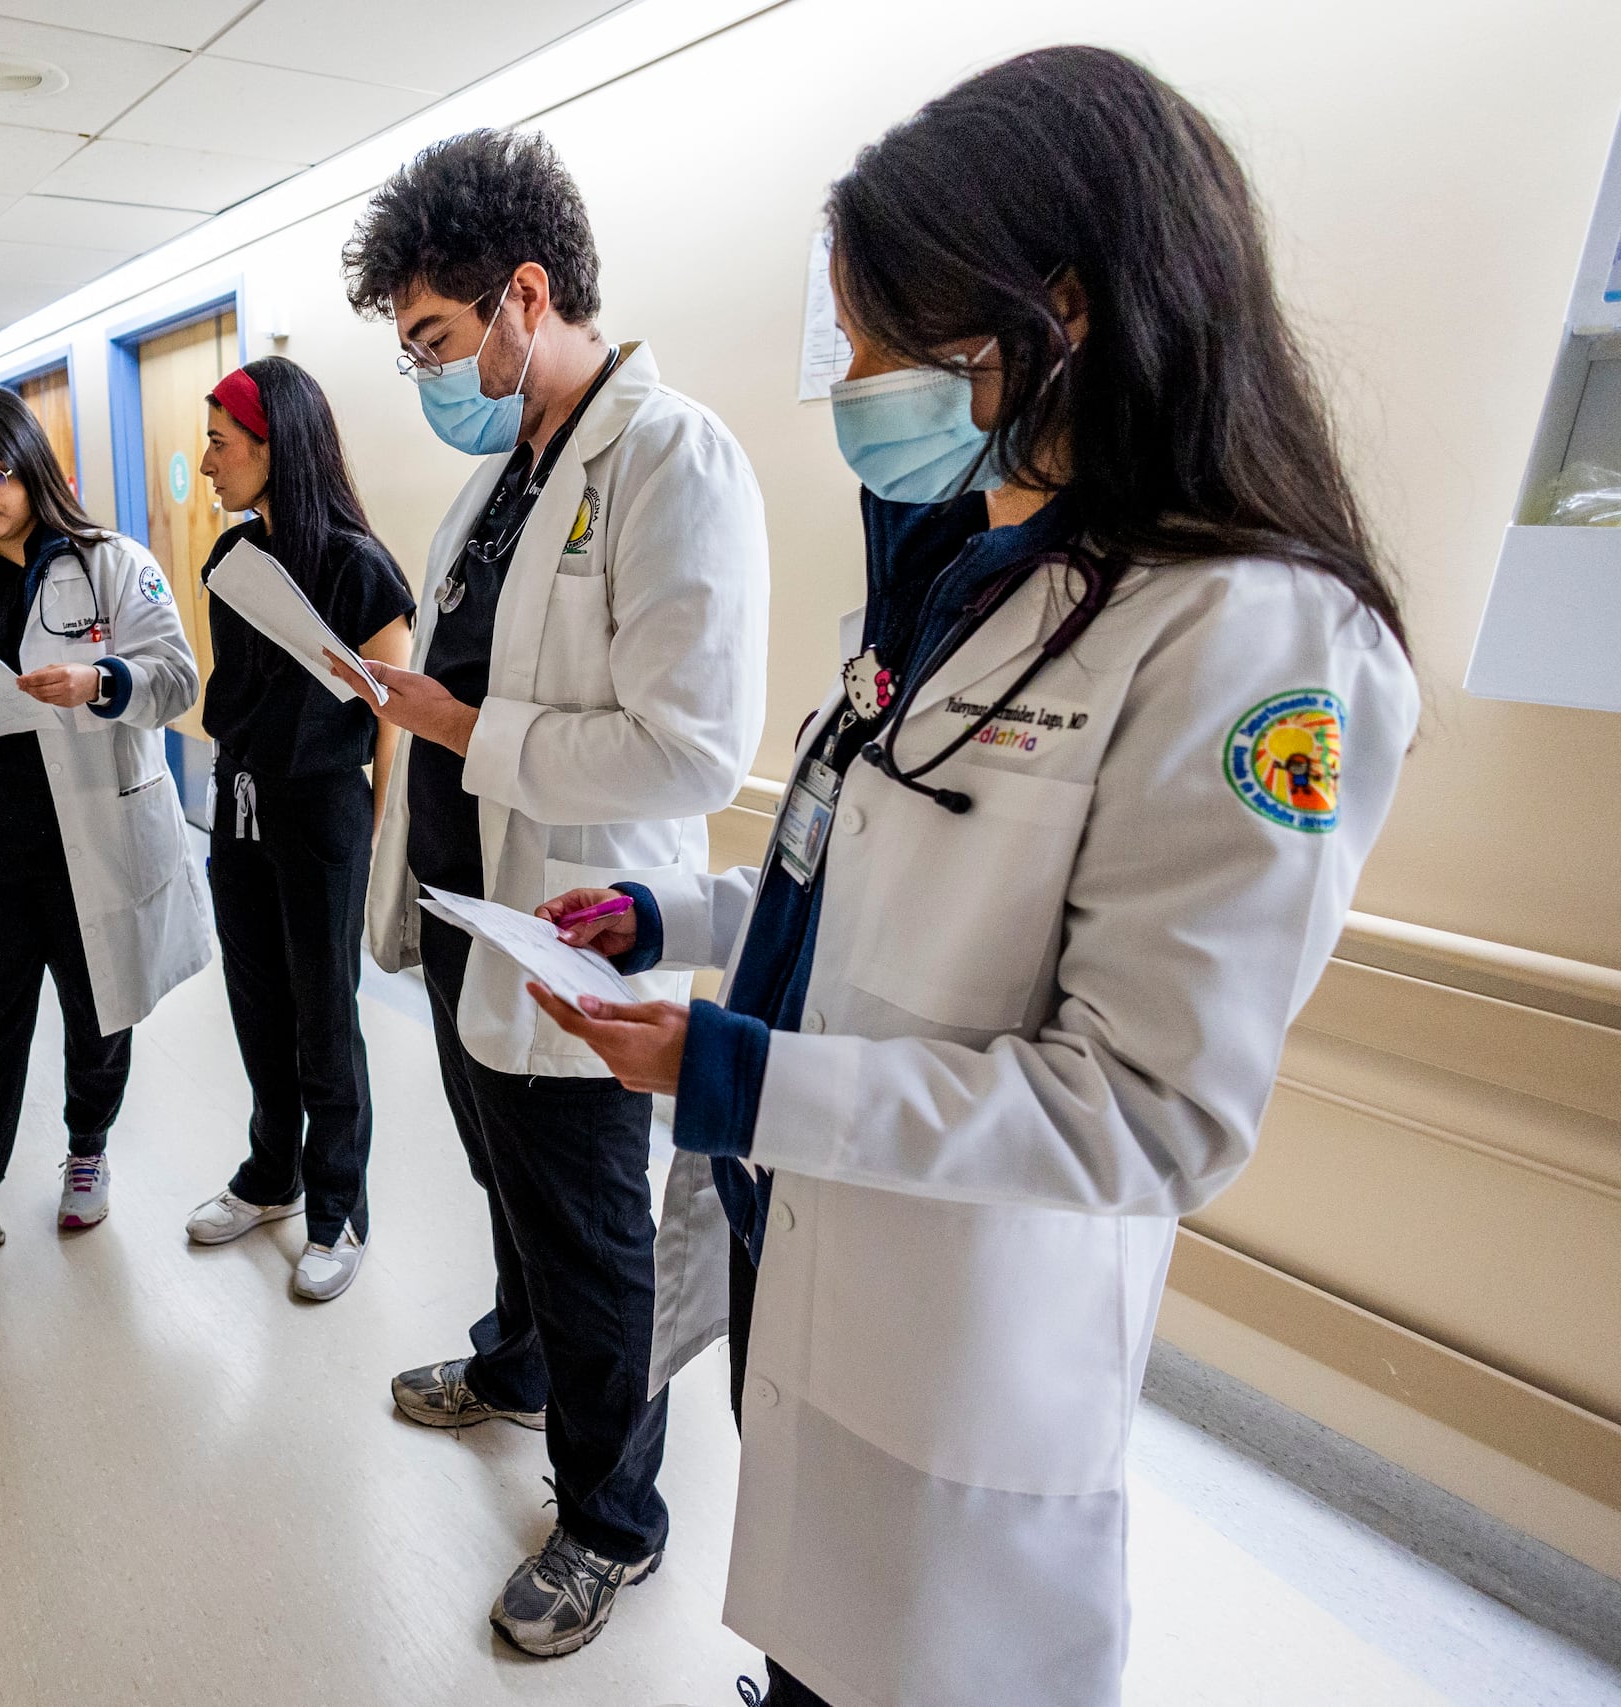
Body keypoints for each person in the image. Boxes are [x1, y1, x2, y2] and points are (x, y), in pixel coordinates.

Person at [527, 47, 1419, 1707]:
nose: (851, 378)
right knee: (815, 1650)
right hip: (809, 1238)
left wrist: (735, 1071)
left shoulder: (1260, 644)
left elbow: (1147, 1110)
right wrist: (677, 922)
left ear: (1054, 317)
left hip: (958, 1342)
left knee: (912, 1662)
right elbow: (851, 883)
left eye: (879, 338)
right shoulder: (977, 578)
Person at [335, 129, 771, 1656]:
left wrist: (460, 728)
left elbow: (694, 747)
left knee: (594, 1242)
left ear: (528, 295)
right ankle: (513, 1364)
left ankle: (609, 1517)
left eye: (440, 339)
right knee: (511, 1195)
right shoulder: (499, 480)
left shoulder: (671, 456)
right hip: (474, 922)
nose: (432, 374)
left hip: (578, 941)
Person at [0, 386, 209, 1292]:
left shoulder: (112, 563)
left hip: (91, 835)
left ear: (33, 466)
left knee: (101, 1010)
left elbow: (175, 679)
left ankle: (88, 1148)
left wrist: (101, 679)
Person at [181, 357, 415, 1301]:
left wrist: (385, 844)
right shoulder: (231, 558)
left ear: (276, 446)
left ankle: (339, 1203)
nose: (207, 464)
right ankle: (271, 1169)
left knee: (324, 1009)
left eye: (221, 444)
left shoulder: (359, 568)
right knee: (255, 998)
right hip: (236, 802)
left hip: (322, 812)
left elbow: (394, 710)